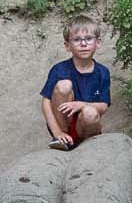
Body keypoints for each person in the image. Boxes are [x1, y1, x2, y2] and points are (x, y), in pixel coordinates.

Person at [40, 15, 112, 150]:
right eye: (77, 40)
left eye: (89, 39)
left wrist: (81, 105)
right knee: (64, 85)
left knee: (90, 112)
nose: (83, 44)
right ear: (67, 45)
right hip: (64, 123)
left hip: (84, 123)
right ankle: (63, 139)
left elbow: (103, 106)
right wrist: (57, 132)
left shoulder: (103, 72)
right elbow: (46, 102)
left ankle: (88, 142)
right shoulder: (59, 69)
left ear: (98, 43)